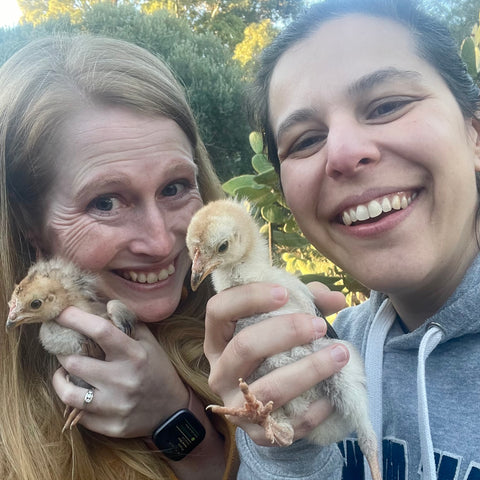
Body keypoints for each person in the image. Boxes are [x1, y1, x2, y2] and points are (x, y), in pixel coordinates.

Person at [203, 0, 480, 479]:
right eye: (306, 140)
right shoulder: (327, 348)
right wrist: (285, 448)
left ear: (474, 133)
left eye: (388, 105)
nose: (345, 153)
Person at [0, 34, 239, 480]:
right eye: (106, 203)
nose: (161, 243)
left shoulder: (259, 339)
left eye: (174, 188)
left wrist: (180, 426)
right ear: (29, 227)